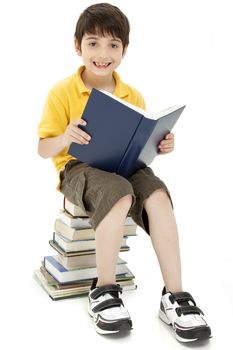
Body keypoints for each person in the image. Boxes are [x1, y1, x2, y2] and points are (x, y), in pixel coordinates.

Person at [37, 3, 211, 342]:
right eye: (93, 43)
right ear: (78, 46)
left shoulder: (133, 94)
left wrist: (160, 144)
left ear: (125, 50)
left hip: (125, 164)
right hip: (78, 168)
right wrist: (64, 136)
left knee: (158, 194)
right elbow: (43, 148)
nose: (103, 54)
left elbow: (136, 141)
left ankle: (174, 296)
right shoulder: (62, 91)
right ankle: (103, 289)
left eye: (113, 45)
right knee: (118, 192)